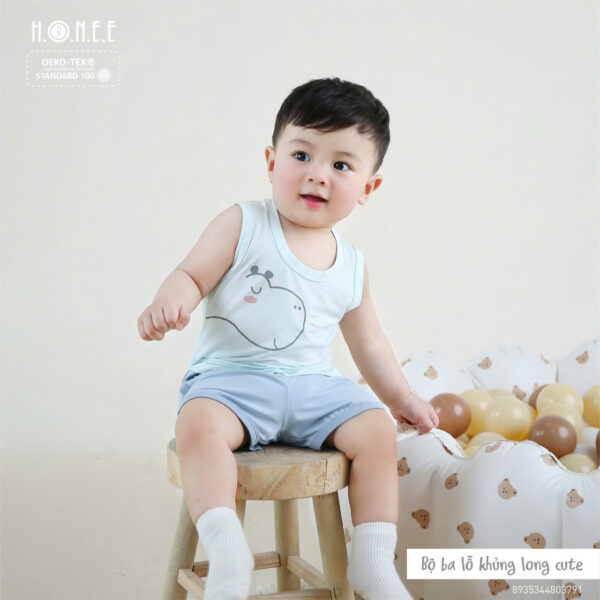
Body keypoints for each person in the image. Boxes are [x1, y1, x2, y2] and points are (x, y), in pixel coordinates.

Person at [137, 77, 439, 600]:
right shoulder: (243, 223)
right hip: (232, 385)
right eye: (302, 155)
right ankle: (227, 551)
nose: (318, 174)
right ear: (272, 161)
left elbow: (369, 344)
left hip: (313, 388)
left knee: (375, 430)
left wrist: (403, 399)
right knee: (197, 423)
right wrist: (172, 301)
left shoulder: (351, 264)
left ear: (368, 189)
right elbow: (191, 274)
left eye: (341, 165)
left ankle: (371, 560)